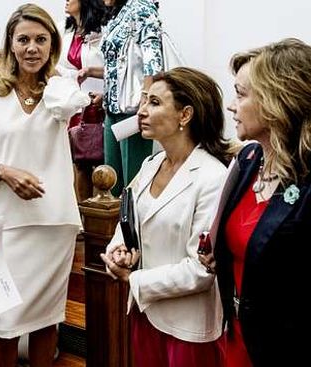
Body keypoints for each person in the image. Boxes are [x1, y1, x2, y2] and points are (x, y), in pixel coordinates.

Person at [0, 4, 89, 366]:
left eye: (41, 40)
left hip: (54, 222)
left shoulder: (61, 89)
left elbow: (71, 106)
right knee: (5, 325)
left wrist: (61, 77)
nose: (32, 48)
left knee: (47, 321)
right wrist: (4, 171)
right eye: (24, 40)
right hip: (9, 222)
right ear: (10, 45)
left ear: (52, 45)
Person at [101, 67, 235, 367]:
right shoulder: (152, 164)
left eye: (154, 103)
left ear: (185, 115)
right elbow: (130, 217)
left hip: (186, 325)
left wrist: (135, 279)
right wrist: (117, 251)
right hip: (146, 312)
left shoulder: (212, 177)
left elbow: (201, 271)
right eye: (144, 101)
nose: (142, 111)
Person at [198, 38, 311, 367]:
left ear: (278, 100)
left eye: (241, 94)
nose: (231, 106)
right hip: (238, 333)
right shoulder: (248, 159)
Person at [100, 0, 163, 196]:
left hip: (134, 107)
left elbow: (153, 57)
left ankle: (131, 226)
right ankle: (115, 225)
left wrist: (146, 96)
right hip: (113, 107)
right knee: (111, 181)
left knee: (132, 182)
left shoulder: (142, 8)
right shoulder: (118, 13)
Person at [57, 0, 107, 202]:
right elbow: (56, 64)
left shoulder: (105, 28)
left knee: (103, 163)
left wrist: (105, 94)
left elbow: (115, 68)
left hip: (99, 101)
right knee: (80, 162)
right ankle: (83, 217)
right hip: (75, 104)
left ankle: (104, 218)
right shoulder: (63, 29)